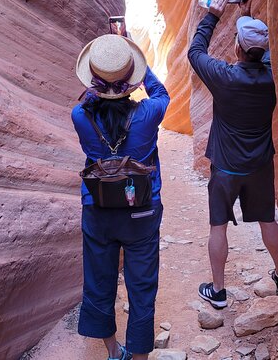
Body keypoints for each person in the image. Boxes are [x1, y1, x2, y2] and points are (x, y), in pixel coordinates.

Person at [187, 0, 278, 309]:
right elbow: (264, 49)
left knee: (218, 225)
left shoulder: (225, 77)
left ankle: (218, 292)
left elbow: (195, 52)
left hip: (227, 166)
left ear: (237, 48)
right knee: (266, 220)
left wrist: (214, 16)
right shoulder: (273, 74)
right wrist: (248, 16)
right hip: (260, 165)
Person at [72, 33, 169, 360]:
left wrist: (103, 83)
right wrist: (135, 68)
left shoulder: (80, 117)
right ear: (132, 81)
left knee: (99, 285)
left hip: (98, 211)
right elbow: (160, 92)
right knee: (142, 289)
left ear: (93, 84)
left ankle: (115, 353)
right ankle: (140, 357)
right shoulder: (149, 114)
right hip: (141, 212)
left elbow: (85, 100)